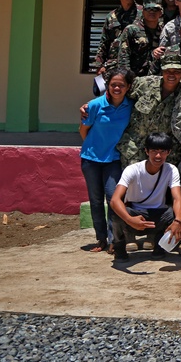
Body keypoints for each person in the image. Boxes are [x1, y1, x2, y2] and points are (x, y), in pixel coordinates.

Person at [79, 68, 134, 252]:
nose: (117, 88)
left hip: (113, 159)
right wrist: (93, 147)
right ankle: (101, 239)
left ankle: (114, 240)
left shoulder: (131, 106)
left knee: (113, 198)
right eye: (113, 85)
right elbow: (83, 130)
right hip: (91, 159)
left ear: (128, 87)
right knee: (95, 200)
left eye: (121, 85)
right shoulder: (95, 105)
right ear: (107, 86)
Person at [109, 133, 181, 262]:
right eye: (154, 151)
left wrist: (178, 221)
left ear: (169, 152)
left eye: (163, 152)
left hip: (158, 216)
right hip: (135, 215)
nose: (158, 156)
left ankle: (159, 248)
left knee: (173, 214)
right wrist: (129, 219)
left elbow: (177, 198)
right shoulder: (132, 169)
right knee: (116, 211)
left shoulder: (171, 170)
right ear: (146, 151)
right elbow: (115, 199)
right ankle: (119, 248)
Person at [116, 53, 181, 168]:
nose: (171, 75)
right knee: (132, 184)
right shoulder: (144, 84)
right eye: (168, 70)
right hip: (135, 148)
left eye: (176, 71)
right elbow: (116, 92)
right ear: (162, 71)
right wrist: (92, 105)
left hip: (164, 152)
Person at [94, 0, 142, 74]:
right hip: (114, 67)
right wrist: (99, 65)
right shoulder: (112, 16)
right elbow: (104, 42)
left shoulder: (143, 13)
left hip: (137, 65)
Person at [113, 0, 164, 77]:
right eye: (148, 9)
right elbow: (123, 56)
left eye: (155, 9)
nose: (151, 12)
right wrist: (126, 78)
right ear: (143, 12)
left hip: (155, 79)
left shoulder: (164, 31)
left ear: (161, 13)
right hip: (135, 77)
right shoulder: (131, 30)